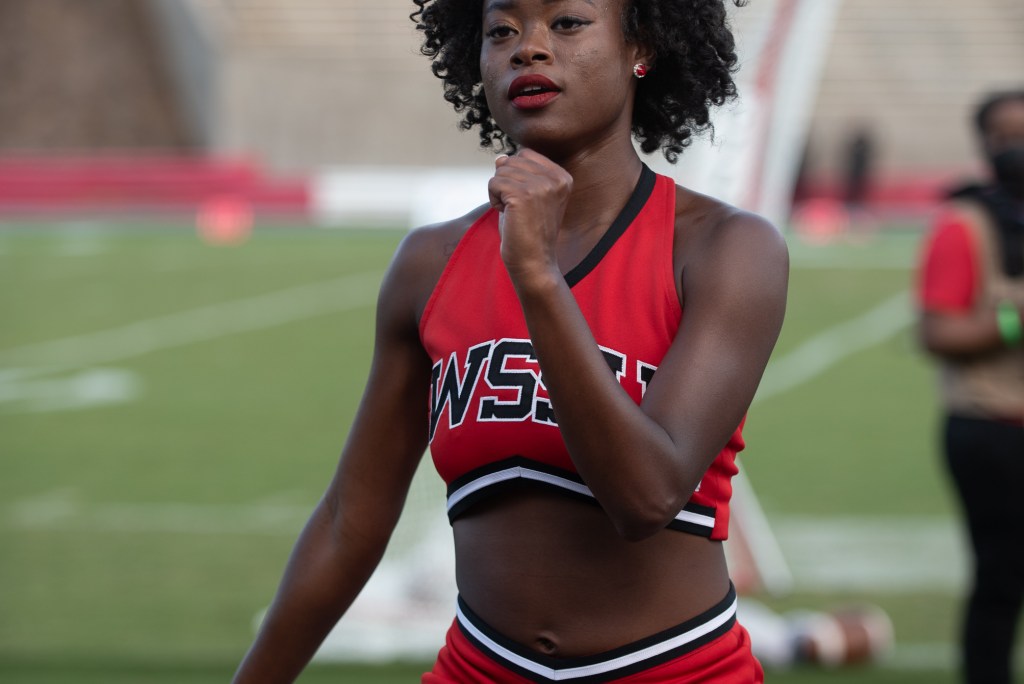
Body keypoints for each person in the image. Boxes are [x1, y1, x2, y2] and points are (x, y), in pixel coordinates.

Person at [233, 0, 788, 681]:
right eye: (502, 30)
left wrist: (536, 275)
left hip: (675, 669)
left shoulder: (725, 249)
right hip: (480, 667)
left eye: (568, 23)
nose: (528, 47)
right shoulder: (430, 265)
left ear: (639, 45)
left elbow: (647, 496)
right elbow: (352, 520)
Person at [916, 89, 1024, 684]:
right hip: (992, 425)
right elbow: (938, 332)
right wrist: (1013, 318)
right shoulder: (965, 223)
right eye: (1004, 135)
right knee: (1003, 575)